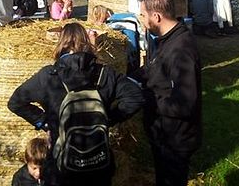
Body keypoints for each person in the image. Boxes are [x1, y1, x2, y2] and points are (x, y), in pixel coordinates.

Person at [8, 23, 144, 186]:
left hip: (62, 166)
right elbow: (135, 97)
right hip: (98, 163)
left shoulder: (49, 76)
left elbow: (16, 102)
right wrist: (108, 119)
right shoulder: (104, 73)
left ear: (61, 44)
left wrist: (44, 122)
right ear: (86, 42)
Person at [134, 0, 202, 185]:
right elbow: (153, 68)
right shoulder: (167, 40)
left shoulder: (181, 50)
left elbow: (185, 103)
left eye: (143, 15)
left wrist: (147, 99)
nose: (141, 20)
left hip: (175, 138)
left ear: (156, 16)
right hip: (163, 134)